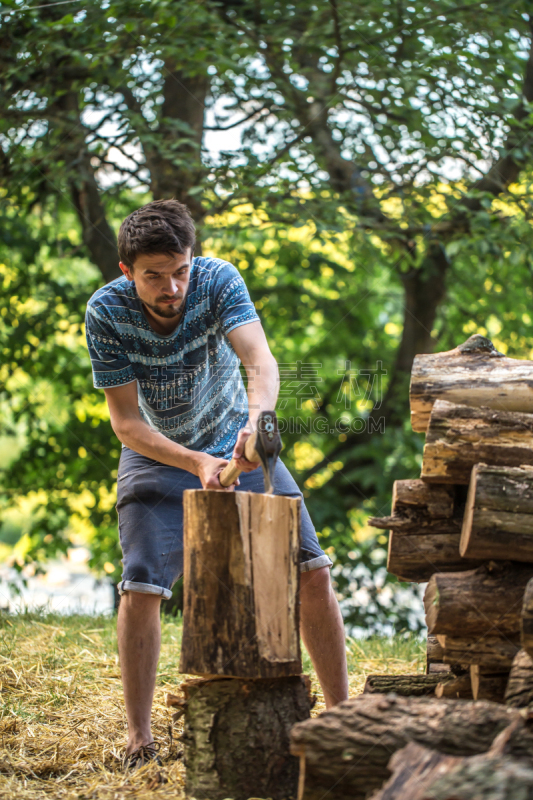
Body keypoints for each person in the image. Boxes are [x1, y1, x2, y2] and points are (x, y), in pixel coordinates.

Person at [85, 199, 349, 769]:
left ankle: (348, 718)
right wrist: (193, 462)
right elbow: (125, 423)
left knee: (312, 567)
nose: (172, 287)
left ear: (192, 258)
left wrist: (256, 424)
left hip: (238, 444)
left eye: (180, 270)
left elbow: (260, 361)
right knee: (142, 585)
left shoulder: (218, 280)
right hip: (156, 452)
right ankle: (139, 740)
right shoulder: (105, 312)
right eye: (154, 275)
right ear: (127, 271)